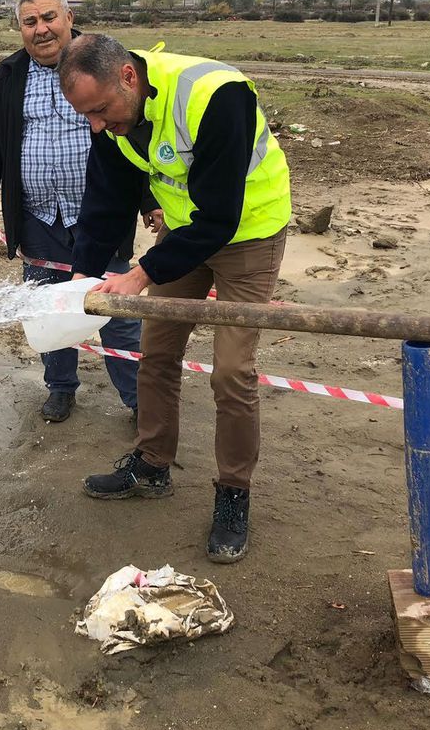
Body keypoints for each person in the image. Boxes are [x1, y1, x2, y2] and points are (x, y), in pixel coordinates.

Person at [59, 34, 292, 563]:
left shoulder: (217, 95)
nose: (97, 125)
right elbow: (107, 202)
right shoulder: (111, 117)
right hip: (185, 234)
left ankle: (234, 492)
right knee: (156, 352)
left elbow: (221, 217)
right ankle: (152, 464)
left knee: (232, 371)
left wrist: (139, 276)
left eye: (99, 111)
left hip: (248, 233)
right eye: (85, 116)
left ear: (128, 77)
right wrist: (80, 281)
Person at [0, 0, 155, 423]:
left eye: (49, 17)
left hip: (99, 216)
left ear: (69, 17)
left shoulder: (104, 64)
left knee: (117, 309)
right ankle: (60, 389)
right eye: (30, 22)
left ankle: (138, 400)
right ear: (20, 29)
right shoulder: (9, 75)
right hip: (37, 216)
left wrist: (151, 200)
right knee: (46, 307)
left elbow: (138, 130)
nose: (42, 29)